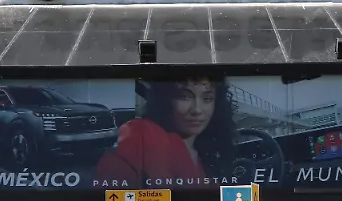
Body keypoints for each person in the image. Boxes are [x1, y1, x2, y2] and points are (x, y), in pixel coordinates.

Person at [95, 77, 236, 187]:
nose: (197, 110)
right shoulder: (144, 134)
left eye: (207, 98)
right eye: (185, 96)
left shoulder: (205, 155)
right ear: (165, 100)